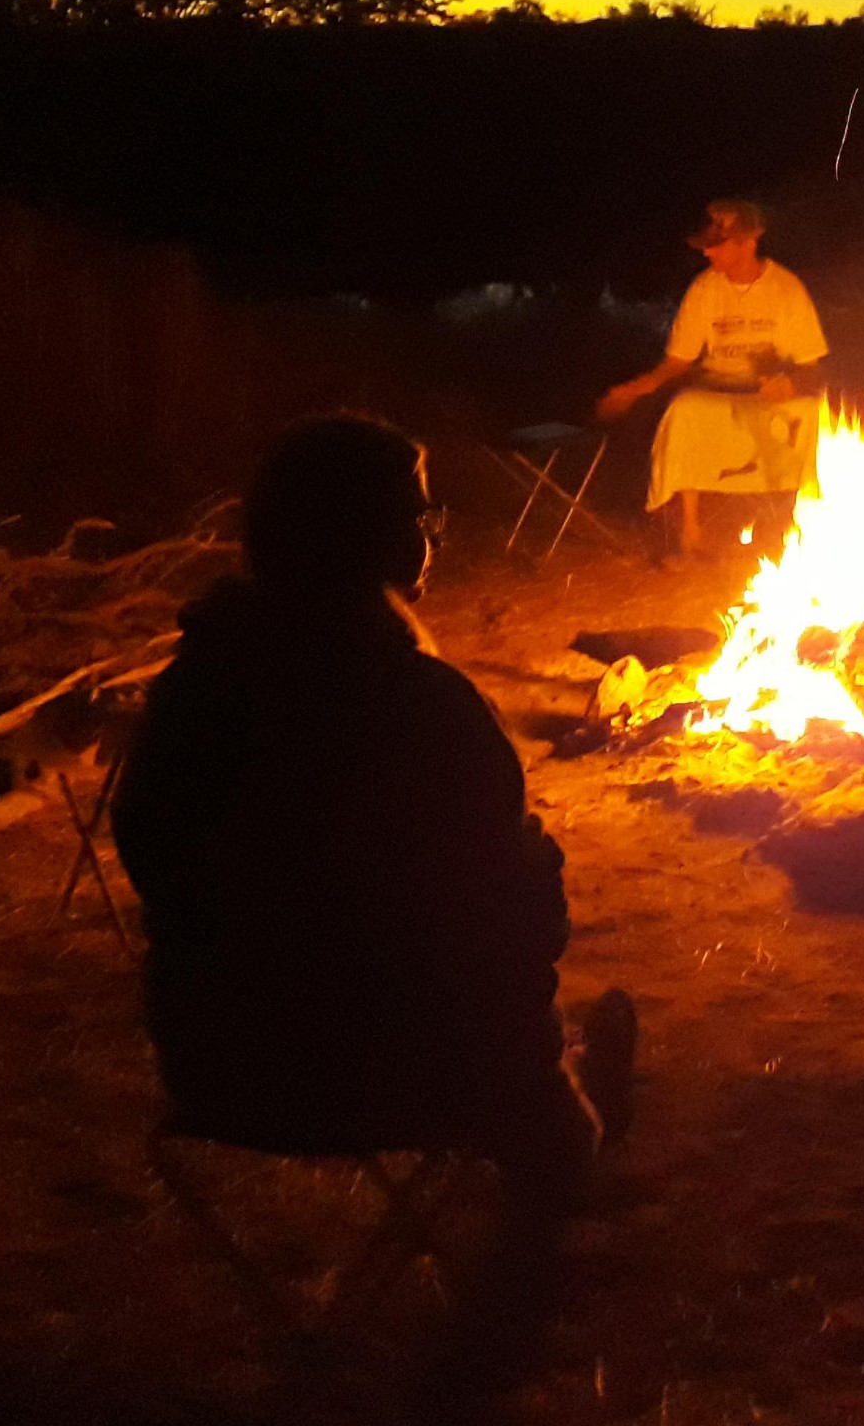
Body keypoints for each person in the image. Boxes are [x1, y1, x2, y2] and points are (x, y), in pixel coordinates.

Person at [113, 416, 634, 1412]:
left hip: (222, 1061)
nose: (434, 535)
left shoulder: (194, 690)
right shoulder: (426, 705)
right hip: (400, 1068)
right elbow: (515, 918)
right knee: (562, 1141)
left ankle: (581, 1074)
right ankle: (494, 1339)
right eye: (420, 514)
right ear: (372, 537)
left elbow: (156, 858)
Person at [595, 199, 830, 557]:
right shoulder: (705, 289)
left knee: (813, 415)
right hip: (719, 389)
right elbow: (678, 361)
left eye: (717, 245)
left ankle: (797, 524)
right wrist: (637, 388)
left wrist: (790, 383)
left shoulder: (786, 289)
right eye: (707, 245)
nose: (708, 253)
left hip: (770, 392)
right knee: (685, 411)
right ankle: (690, 531)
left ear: (748, 242)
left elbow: (813, 365)